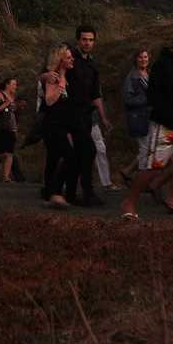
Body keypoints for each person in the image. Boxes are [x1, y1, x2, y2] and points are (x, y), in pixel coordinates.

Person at [119, 27, 173, 224]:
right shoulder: (162, 65)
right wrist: (167, 112)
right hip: (164, 125)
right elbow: (153, 95)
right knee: (152, 169)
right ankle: (129, 202)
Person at [62, 25, 110, 206]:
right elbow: (52, 73)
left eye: (91, 40)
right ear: (78, 40)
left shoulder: (93, 64)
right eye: (84, 39)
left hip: (86, 114)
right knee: (88, 150)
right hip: (70, 113)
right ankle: (85, 192)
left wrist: (103, 117)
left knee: (80, 153)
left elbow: (95, 93)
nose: (88, 43)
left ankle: (72, 192)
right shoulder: (69, 59)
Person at [40, 44, 76, 209]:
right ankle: (55, 192)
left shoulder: (66, 76)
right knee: (69, 156)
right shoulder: (54, 77)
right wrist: (60, 85)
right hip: (53, 125)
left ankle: (49, 193)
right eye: (68, 58)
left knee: (53, 159)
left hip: (62, 125)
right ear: (60, 60)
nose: (72, 60)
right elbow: (49, 100)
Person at [119, 49, 150, 183]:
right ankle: (141, 180)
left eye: (145, 57)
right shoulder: (131, 77)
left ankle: (128, 171)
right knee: (145, 149)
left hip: (149, 117)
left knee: (149, 148)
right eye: (140, 57)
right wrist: (147, 99)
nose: (143, 59)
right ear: (135, 59)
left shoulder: (149, 74)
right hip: (138, 117)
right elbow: (128, 99)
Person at [0, 78, 19, 183]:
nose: (15, 86)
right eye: (13, 84)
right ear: (7, 85)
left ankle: (6, 177)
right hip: (2, 127)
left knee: (10, 153)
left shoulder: (13, 97)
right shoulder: (0, 94)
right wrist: (6, 103)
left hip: (12, 127)